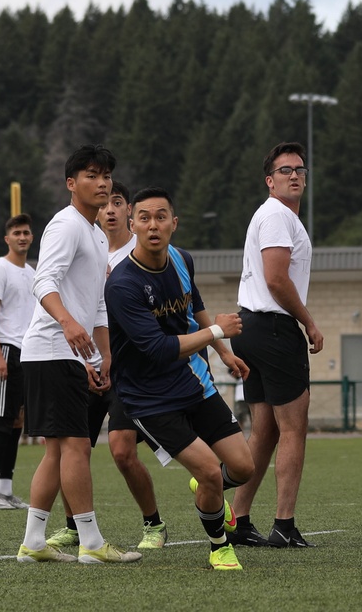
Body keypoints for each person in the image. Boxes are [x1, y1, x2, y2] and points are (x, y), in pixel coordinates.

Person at [106, 187, 255, 572]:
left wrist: (224, 353)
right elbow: (157, 349)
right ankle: (219, 546)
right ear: (131, 223)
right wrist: (218, 334)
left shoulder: (181, 258)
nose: (152, 225)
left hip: (194, 382)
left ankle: (207, 490)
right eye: (144, 217)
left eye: (160, 216)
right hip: (148, 397)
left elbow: (196, 307)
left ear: (174, 222)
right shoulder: (122, 284)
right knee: (208, 470)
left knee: (243, 468)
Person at [16, 144, 140, 564]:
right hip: (51, 349)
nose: (102, 182)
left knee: (59, 450)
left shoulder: (95, 232)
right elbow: (43, 280)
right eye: (91, 174)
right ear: (72, 184)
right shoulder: (66, 225)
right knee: (76, 447)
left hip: (64, 355)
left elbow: (98, 303)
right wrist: (69, 325)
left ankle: (34, 543)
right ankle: (90, 543)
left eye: (106, 175)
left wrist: (99, 358)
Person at [47, 181, 168, 552]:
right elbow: (71, 303)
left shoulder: (145, 251)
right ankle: (73, 525)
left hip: (129, 369)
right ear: (96, 210)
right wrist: (84, 358)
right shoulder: (85, 245)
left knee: (121, 449)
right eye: (107, 204)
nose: (111, 210)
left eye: (119, 203)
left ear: (129, 212)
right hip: (88, 364)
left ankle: (154, 525)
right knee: (71, 445)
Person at [229, 142, 323, 549]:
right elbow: (277, 279)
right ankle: (284, 524)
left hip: (253, 326)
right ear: (270, 181)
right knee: (293, 428)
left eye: (299, 169)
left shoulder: (278, 216)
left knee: (264, 431)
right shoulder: (276, 216)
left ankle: (238, 518)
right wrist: (309, 323)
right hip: (272, 328)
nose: (295, 175)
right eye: (285, 170)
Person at [0, 213, 36, 509]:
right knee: (1, 422)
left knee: (16, 423)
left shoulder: (31, 272)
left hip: (27, 354)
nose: (22, 237)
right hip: (7, 350)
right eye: (17, 233)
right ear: (7, 238)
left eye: (26, 232)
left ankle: (5, 490)